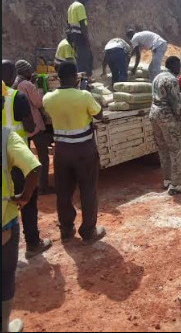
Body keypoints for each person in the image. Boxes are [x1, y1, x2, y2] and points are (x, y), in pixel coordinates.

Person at [43, 61, 106, 244]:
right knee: (88, 190)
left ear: (58, 78)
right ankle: (88, 232)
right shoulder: (84, 95)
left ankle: (66, 230)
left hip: (61, 151)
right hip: (84, 151)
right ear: (75, 77)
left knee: (63, 192)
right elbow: (99, 114)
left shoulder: (48, 98)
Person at [2, 81, 42, 333]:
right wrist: (25, 196)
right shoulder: (6, 137)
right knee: (4, 278)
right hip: (4, 219)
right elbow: (35, 167)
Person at [2, 60, 52, 260]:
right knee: (27, 200)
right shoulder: (17, 97)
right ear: (13, 73)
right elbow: (30, 127)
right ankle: (32, 244)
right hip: (16, 158)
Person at [150, 56, 181, 195]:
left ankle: (167, 180)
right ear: (172, 65)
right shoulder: (172, 80)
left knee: (163, 149)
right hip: (168, 118)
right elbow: (176, 104)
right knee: (176, 149)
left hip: (154, 115)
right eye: (178, 65)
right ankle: (176, 184)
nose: (179, 68)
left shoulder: (157, 77)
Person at [13, 60, 53, 195]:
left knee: (25, 158)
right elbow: (37, 103)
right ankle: (43, 186)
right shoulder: (26, 84)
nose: (31, 72)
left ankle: (25, 185)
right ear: (24, 71)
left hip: (20, 127)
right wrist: (40, 88)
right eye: (29, 70)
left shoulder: (14, 83)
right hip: (34, 125)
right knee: (43, 156)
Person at [67, 0, 93, 78]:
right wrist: (87, 40)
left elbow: (68, 26)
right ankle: (83, 84)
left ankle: (80, 81)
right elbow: (83, 25)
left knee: (79, 61)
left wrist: (70, 40)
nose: (86, 2)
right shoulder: (80, 6)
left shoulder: (71, 7)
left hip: (74, 38)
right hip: (81, 37)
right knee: (84, 62)